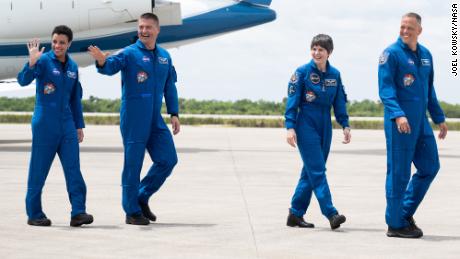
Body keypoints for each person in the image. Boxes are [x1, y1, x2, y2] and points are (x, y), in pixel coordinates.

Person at [87, 13, 180, 225]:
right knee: (133, 165)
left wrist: (174, 113)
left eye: (148, 27)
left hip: (155, 119)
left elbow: (169, 86)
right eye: (141, 27)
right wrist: (102, 61)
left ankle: (141, 196)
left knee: (168, 159)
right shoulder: (129, 54)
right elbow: (110, 66)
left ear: (157, 30)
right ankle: (131, 211)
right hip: (134, 117)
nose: (144, 31)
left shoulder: (165, 56)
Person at [378, 12, 448, 238]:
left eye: (409, 27)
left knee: (430, 167)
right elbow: (386, 89)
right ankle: (395, 225)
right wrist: (398, 115)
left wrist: (438, 118)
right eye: (402, 27)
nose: (405, 31)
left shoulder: (426, 55)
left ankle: (403, 212)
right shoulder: (391, 54)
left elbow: (429, 90)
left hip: (421, 122)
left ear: (419, 30)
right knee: (399, 173)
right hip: (400, 123)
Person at [17, 25, 93, 227]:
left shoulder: (73, 67)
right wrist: (31, 64)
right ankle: (34, 214)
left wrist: (79, 125)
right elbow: (22, 81)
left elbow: (75, 99)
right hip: (45, 123)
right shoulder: (42, 61)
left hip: (67, 124)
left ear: (69, 44)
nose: (57, 45)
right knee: (38, 170)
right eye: (55, 42)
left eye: (61, 42)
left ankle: (78, 212)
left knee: (73, 169)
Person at [284, 34, 351, 230]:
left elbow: (339, 102)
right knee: (317, 171)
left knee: (311, 171)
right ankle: (331, 213)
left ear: (329, 52)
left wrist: (345, 124)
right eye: (314, 48)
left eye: (321, 49)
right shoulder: (302, 72)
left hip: (325, 124)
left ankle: (295, 213)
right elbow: (292, 102)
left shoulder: (335, 75)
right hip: (306, 123)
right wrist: (290, 127)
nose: (316, 52)